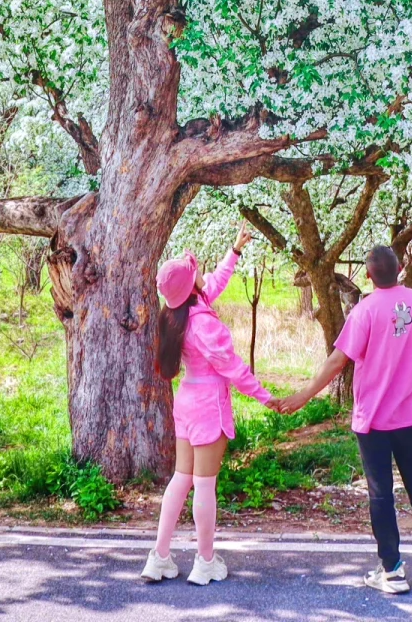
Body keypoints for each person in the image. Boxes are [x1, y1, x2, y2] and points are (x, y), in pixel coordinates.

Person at [274, 244, 412, 594]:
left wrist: (303, 396)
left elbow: (337, 361)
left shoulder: (364, 311)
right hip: (410, 418)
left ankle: (393, 570)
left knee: (381, 494)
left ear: (369, 275)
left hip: (373, 421)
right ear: (400, 269)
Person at [140, 225, 274, 586]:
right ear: (190, 285)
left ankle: (159, 557)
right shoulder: (203, 326)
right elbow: (233, 369)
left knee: (180, 480)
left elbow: (211, 284)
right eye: (194, 269)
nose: (200, 271)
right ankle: (205, 561)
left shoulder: (178, 314)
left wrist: (234, 251)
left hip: (185, 401)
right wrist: (267, 397)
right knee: (204, 485)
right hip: (207, 406)